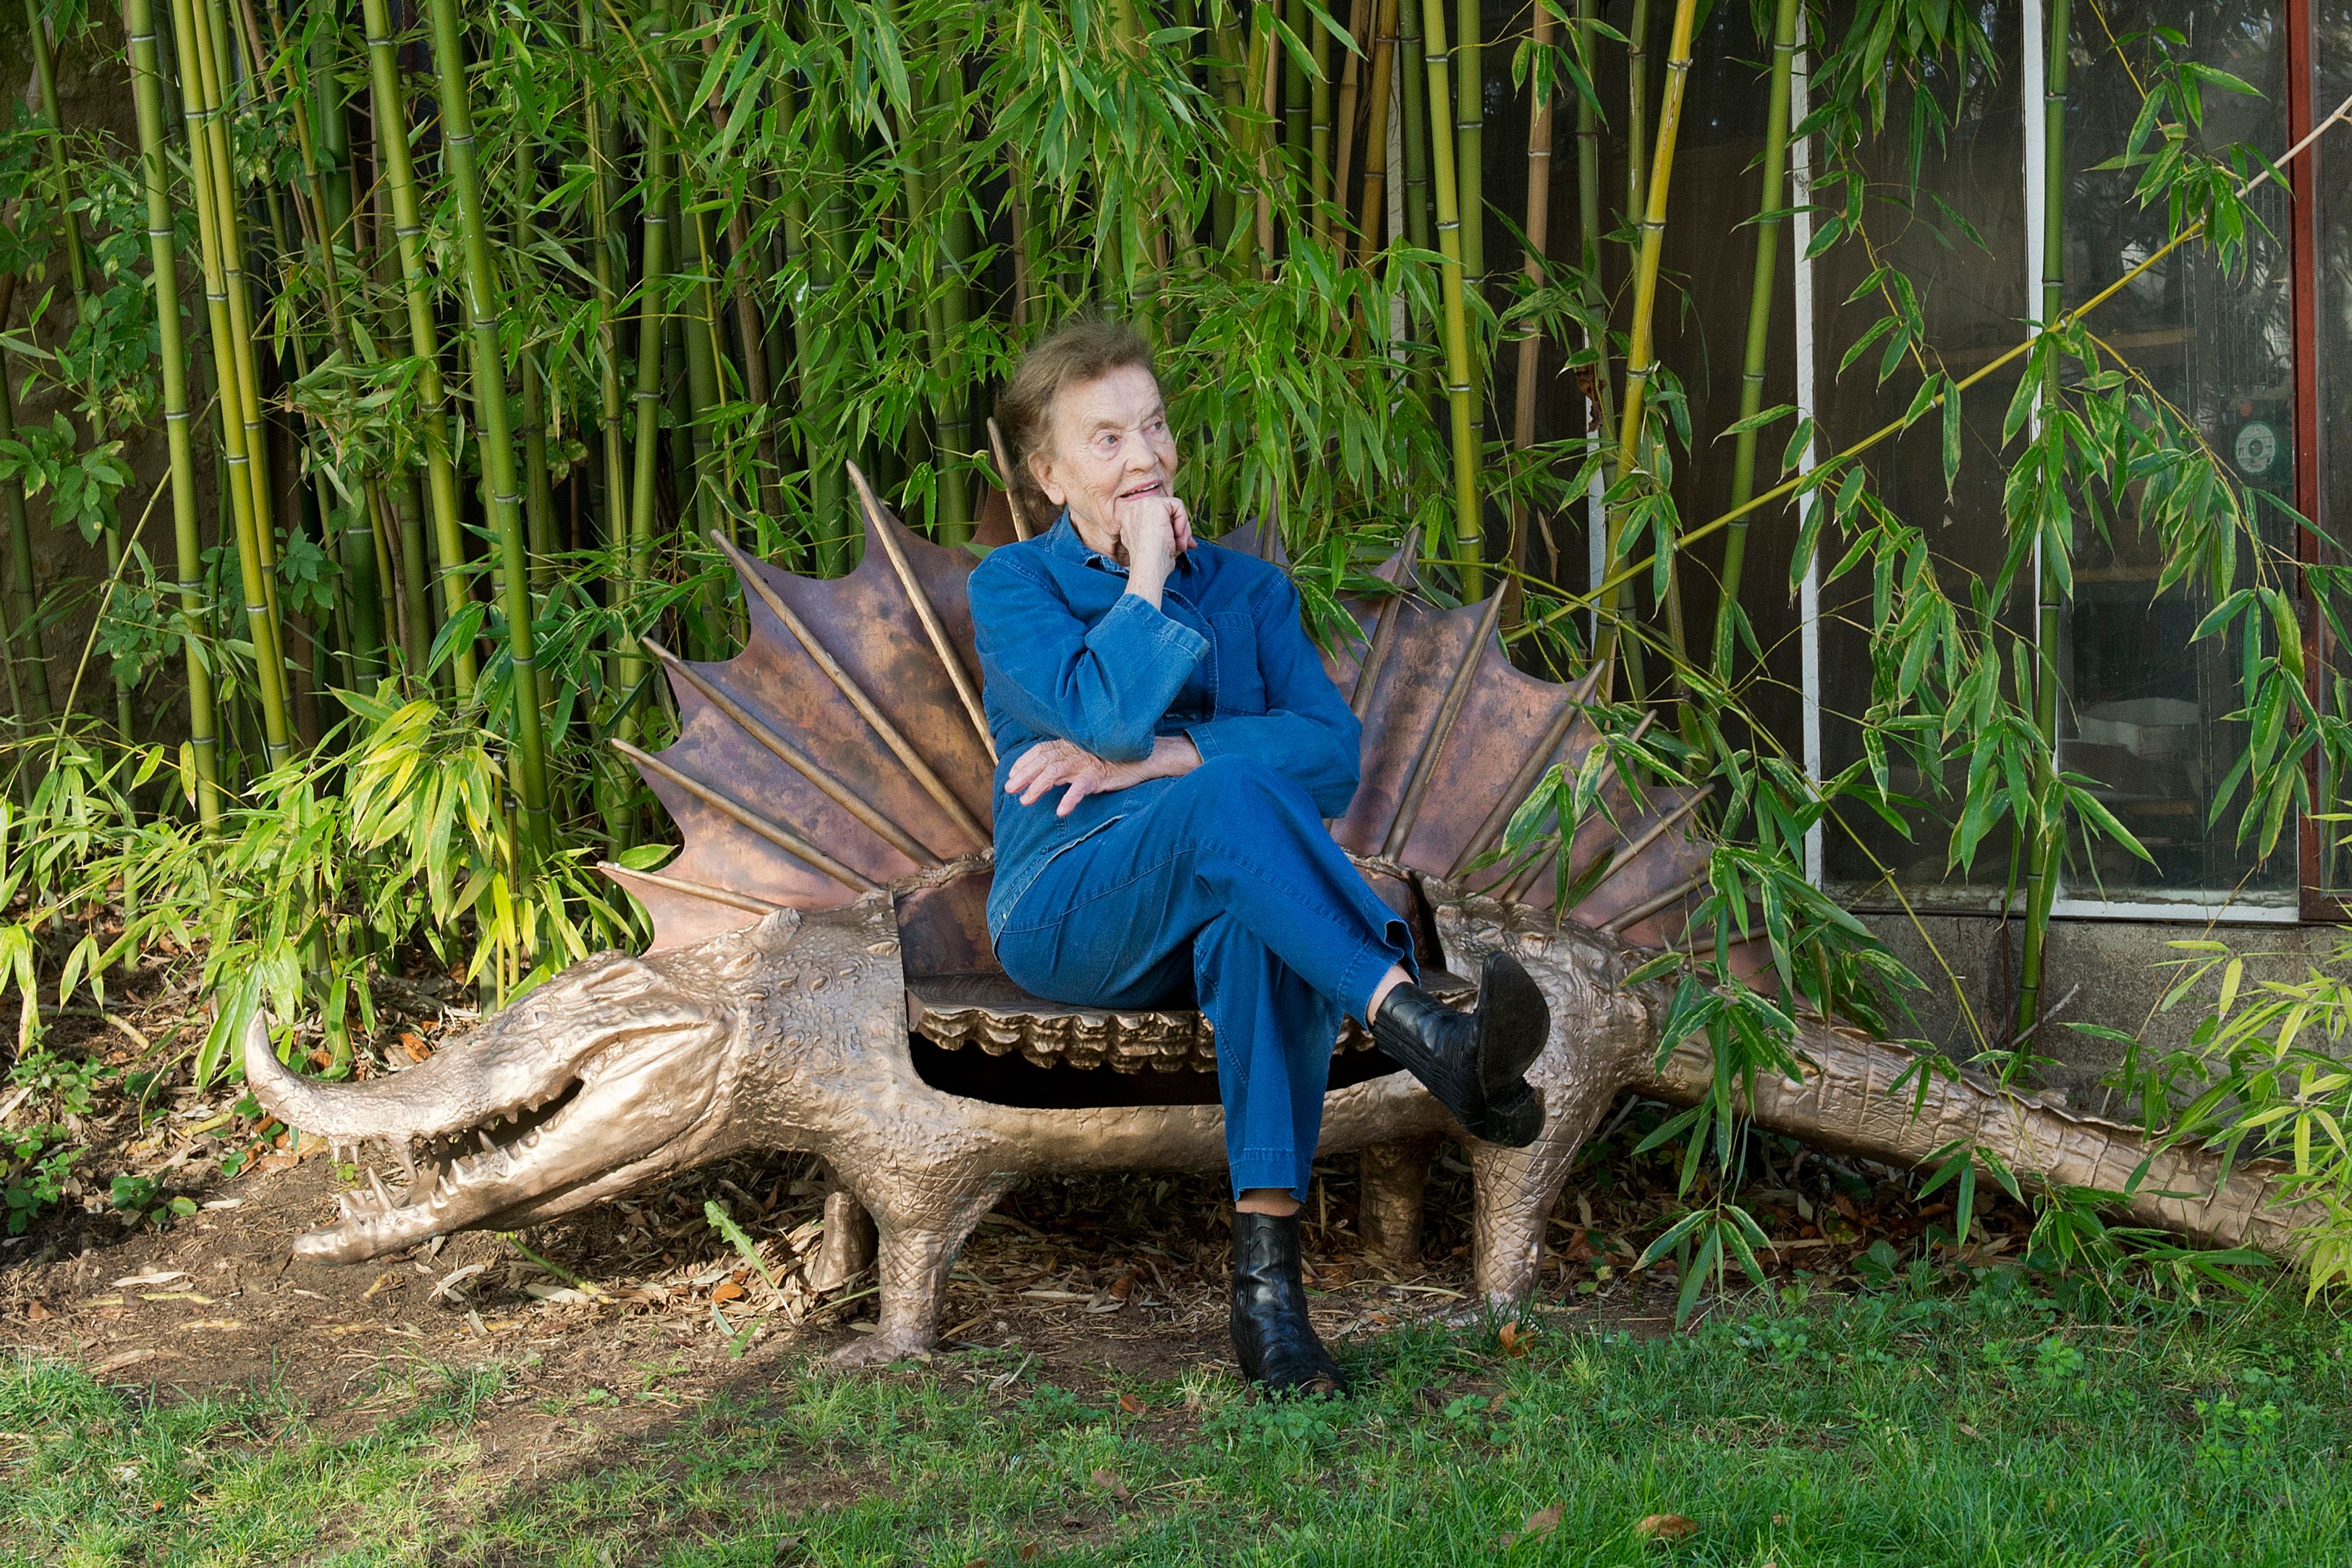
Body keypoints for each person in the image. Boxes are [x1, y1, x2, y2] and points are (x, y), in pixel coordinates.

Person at [969, 319, 1549, 1396]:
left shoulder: (1247, 590)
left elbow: (1330, 757)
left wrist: (1160, 763)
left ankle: (1270, 1303)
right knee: (1237, 791)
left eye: (1152, 424)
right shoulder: (1013, 590)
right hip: (1069, 907)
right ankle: (1419, 1020)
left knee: (1260, 924)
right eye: (1105, 440)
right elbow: (1099, 717)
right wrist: (1146, 576)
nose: (1144, 456)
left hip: (1217, 906)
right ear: (1048, 473)